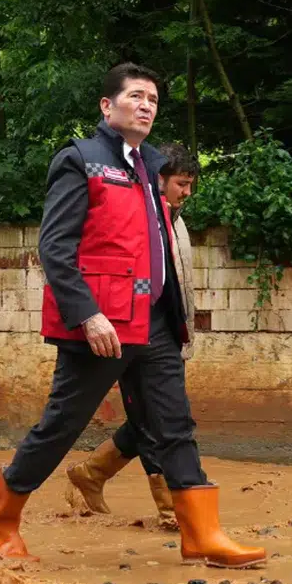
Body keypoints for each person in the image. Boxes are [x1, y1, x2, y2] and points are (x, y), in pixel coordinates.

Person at [0, 63, 265, 569]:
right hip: (104, 325)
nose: (147, 105)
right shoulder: (81, 161)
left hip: (155, 320)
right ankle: (0, 522)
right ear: (107, 106)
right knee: (61, 426)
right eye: (136, 96)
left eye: (153, 99)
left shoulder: (152, 166)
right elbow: (55, 246)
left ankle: (201, 533)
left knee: (174, 426)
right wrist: (86, 315)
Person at [66, 142, 200, 529]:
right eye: (181, 183)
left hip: (165, 335)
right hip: (129, 331)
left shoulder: (175, 221)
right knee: (154, 419)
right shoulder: (138, 216)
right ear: (159, 180)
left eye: (190, 184)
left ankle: (92, 472)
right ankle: (173, 510)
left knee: (159, 417)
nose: (186, 193)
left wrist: (183, 333)